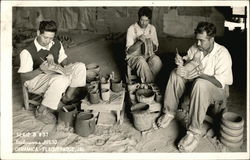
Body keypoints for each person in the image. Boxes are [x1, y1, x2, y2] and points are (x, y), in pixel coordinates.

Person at [156, 22, 233, 152]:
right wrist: (181, 61)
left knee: (200, 84)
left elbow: (220, 82)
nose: (198, 44)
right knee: (176, 73)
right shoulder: (197, 47)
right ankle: (169, 112)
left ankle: (193, 132)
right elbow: (188, 59)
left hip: (218, 88)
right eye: (197, 40)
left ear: (211, 39)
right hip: (199, 81)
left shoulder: (222, 53)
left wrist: (200, 74)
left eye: (201, 41)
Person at [18, 20, 87, 124]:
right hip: (35, 79)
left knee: (80, 67)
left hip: (53, 73)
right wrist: (40, 69)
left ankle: (66, 98)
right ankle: (40, 111)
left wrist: (64, 68)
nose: (48, 41)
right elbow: (24, 77)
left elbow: (63, 59)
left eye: (51, 38)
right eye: (45, 37)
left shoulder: (56, 43)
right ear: (38, 33)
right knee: (62, 80)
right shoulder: (27, 52)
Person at [125, 7, 162, 83]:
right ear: (138, 18)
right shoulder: (131, 29)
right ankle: (151, 85)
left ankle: (147, 81)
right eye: (142, 20)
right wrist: (139, 41)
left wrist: (149, 43)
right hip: (134, 57)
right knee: (141, 61)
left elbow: (156, 48)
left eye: (146, 20)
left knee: (157, 61)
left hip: (148, 55)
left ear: (149, 20)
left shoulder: (152, 28)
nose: (144, 23)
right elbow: (129, 51)